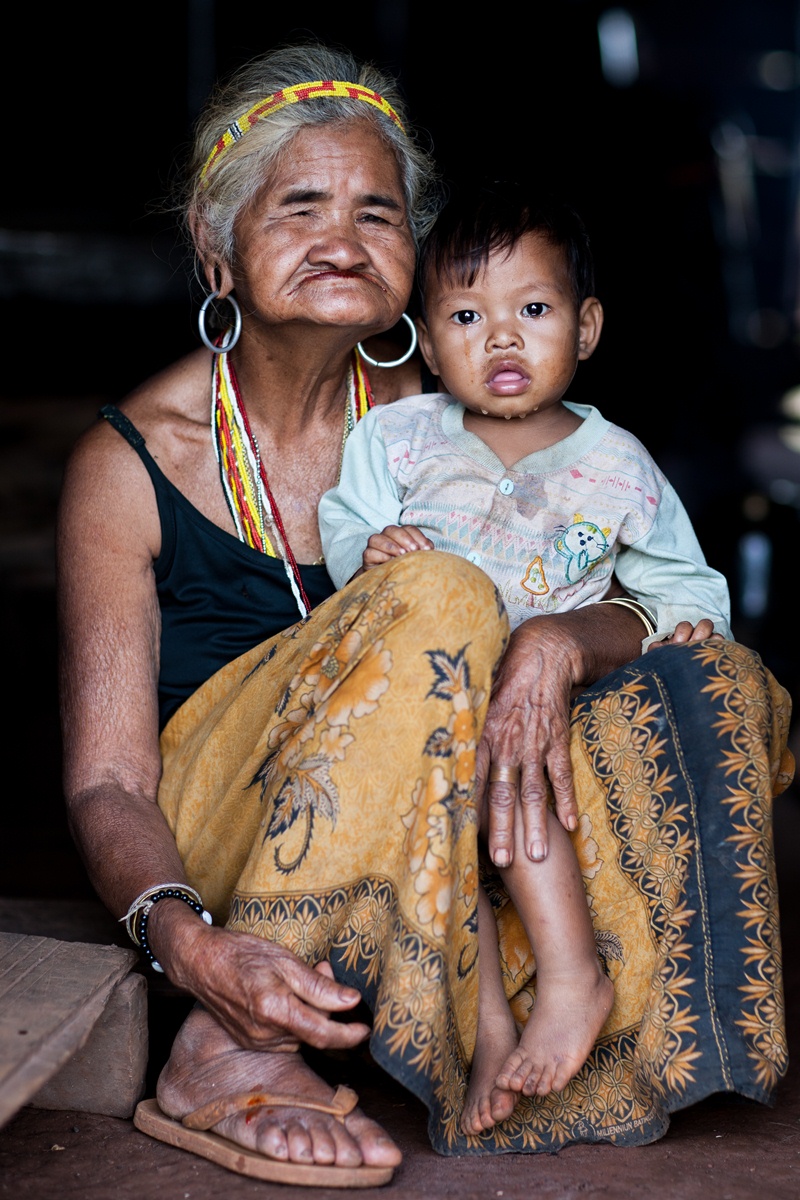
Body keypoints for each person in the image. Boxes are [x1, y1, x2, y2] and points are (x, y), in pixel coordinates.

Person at [56, 40, 794, 1187]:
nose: (342, 239)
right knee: (439, 591)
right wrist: (187, 945)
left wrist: (556, 640)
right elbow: (107, 782)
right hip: (226, 830)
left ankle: (553, 1019)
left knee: (718, 679)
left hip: (448, 824)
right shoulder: (132, 463)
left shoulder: (463, 407)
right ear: (215, 242)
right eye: (300, 206)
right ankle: (225, 1045)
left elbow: (630, 583)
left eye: (377, 212)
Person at [318, 185, 733, 1133]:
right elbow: (348, 522)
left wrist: (683, 626)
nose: (501, 337)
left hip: (539, 713)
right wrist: (369, 551)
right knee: (433, 810)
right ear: (428, 344)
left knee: (508, 768)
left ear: (586, 328)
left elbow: (687, 584)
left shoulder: (618, 464)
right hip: (427, 700)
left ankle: (573, 976)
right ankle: (488, 1027)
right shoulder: (396, 438)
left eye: (533, 309)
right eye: (467, 317)